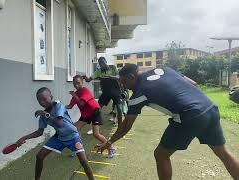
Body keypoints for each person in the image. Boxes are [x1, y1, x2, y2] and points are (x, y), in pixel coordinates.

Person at [97, 64, 239, 179]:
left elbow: (126, 127)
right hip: (210, 108)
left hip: (189, 115)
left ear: (131, 77)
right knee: (224, 153)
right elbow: (193, 83)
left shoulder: (138, 93)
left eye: (123, 82)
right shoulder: (164, 69)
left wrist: (109, 143)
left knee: (160, 154)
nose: (123, 86)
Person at [16, 87, 94, 180]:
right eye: (39, 100)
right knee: (39, 156)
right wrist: (24, 138)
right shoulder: (43, 116)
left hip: (73, 136)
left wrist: (46, 114)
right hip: (59, 137)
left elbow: (60, 123)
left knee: (83, 161)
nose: (42, 102)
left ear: (51, 97)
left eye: (44, 99)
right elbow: (39, 132)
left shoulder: (58, 105)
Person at [66, 75, 117, 158]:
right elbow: (69, 106)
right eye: (74, 84)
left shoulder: (85, 91)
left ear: (82, 83)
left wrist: (74, 95)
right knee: (76, 130)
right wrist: (58, 106)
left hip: (94, 112)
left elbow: (82, 103)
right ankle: (78, 149)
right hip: (85, 114)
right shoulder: (76, 94)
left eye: (78, 83)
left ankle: (111, 148)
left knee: (96, 134)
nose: (76, 85)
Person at [83, 57, 123, 128]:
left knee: (119, 109)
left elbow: (118, 77)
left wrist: (110, 76)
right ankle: (95, 127)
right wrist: (84, 77)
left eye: (103, 62)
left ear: (106, 61)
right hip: (106, 92)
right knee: (97, 109)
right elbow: (89, 80)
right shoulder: (99, 71)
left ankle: (120, 126)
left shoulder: (113, 67)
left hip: (116, 91)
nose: (102, 64)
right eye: (100, 63)